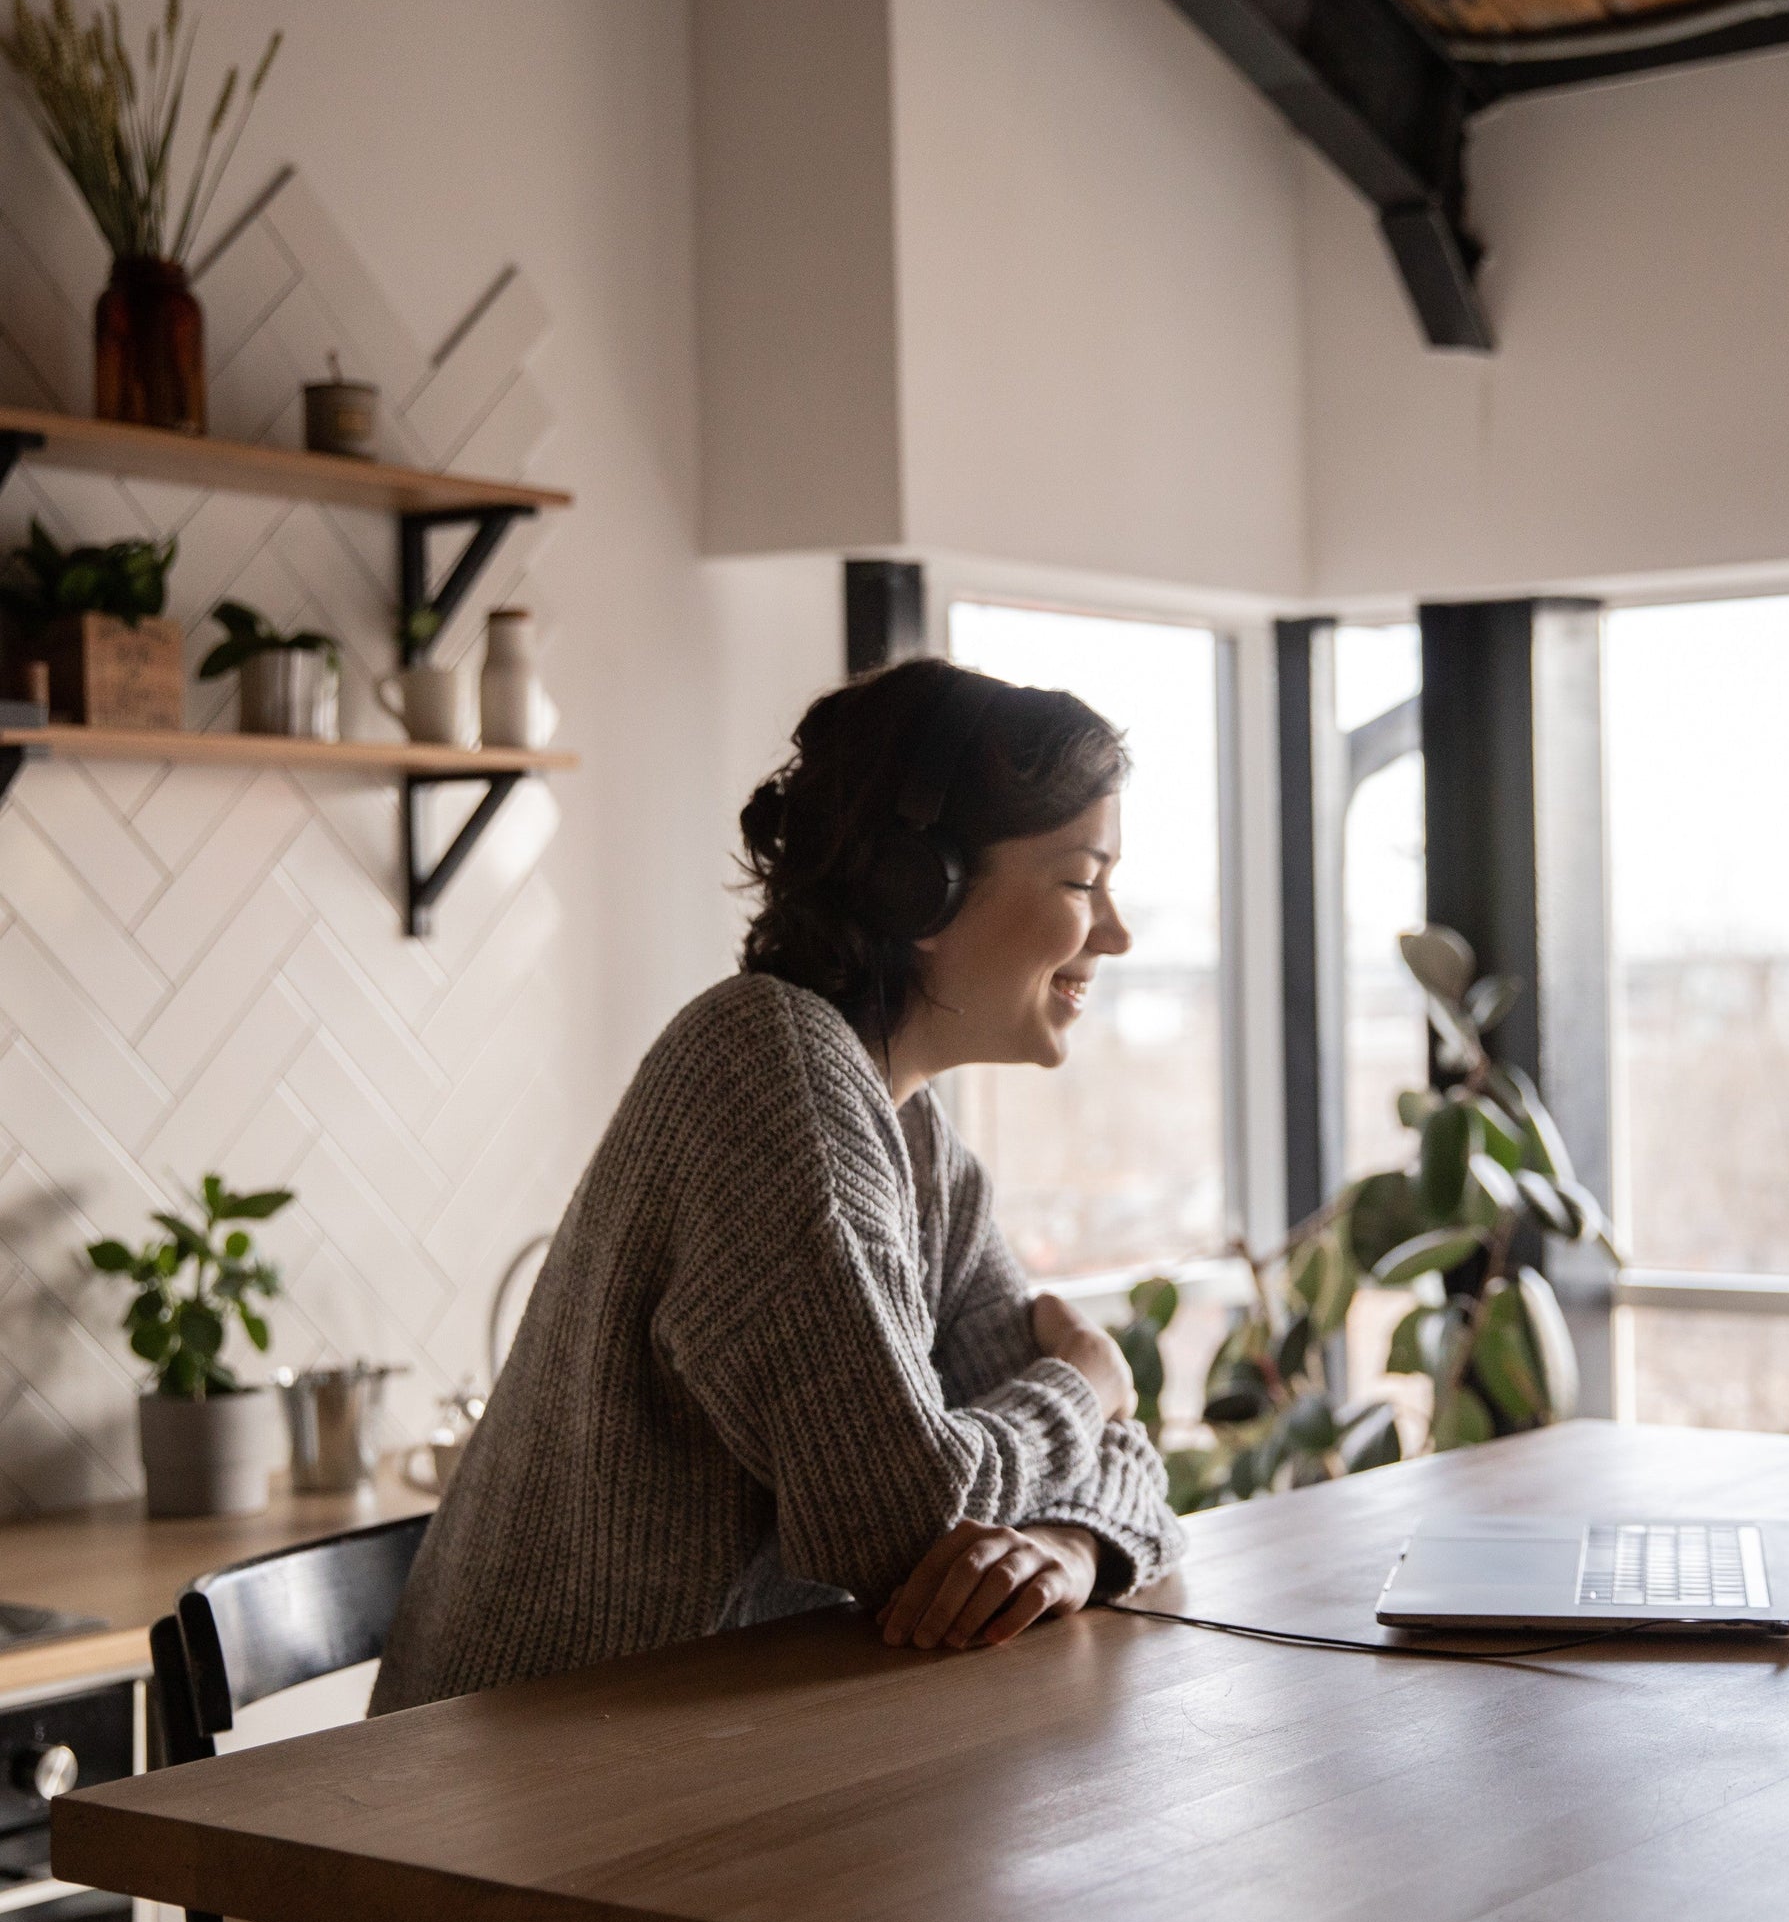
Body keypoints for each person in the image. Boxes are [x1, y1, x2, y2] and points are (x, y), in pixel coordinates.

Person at [370, 657, 1185, 1712]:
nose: (1114, 931)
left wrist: (1071, 1543)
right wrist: (1086, 1383)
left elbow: (1118, 1474)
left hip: (676, 1761)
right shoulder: (768, 1070)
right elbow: (905, 1522)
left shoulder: (920, 1141)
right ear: (917, 886)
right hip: (495, 1798)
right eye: (1081, 880)